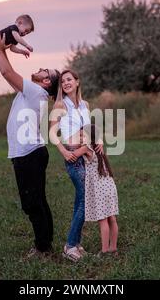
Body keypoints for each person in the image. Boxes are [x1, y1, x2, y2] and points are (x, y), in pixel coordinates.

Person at [0, 31, 60, 258]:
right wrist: (1, 50)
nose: (41, 68)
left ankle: (43, 248)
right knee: (37, 201)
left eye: (46, 70)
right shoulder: (31, 92)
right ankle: (45, 244)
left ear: (47, 81)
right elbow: (8, 73)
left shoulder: (36, 91)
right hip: (30, 153)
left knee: (32, 203)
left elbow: (6, 71)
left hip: (29, 154)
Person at [49, 69, 103, 262]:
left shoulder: (85, 105)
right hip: (73, 157)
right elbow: (52, 133)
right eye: (63, 81)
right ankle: (70, 246)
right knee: (84, 202)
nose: (66, 83)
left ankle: (76, 244)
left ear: (77, 82)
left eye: (69, 80)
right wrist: (64, 152)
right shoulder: (60, 104)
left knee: (80, 201)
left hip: (86, 157)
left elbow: (88, 129)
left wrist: (97, 143)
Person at [73, 125, 119, 257]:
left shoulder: (87, 148)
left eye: (82, 135)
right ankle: (113, 248)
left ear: (90, 137)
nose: (80, 138)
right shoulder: (98, 148)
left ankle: (104, 251)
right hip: (109, 186)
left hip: (100, 189)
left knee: (103, 220)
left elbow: (73, 155)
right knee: (112, 218)